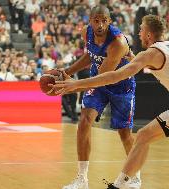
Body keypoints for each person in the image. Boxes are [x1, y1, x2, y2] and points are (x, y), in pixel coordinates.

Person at [51, 15, 169, 189]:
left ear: (148, 35)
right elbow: (161, 65)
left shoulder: (150, 53)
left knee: (142, 136)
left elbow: (114, 76)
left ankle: (118, 185)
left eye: (141, 30)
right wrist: (134, 58)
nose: (139, 33)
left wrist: (75, 85)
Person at [54, 5, 140, 189]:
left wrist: (72, 86)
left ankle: (135, 177)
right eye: (96, 20)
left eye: (104, 20)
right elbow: (90, 56)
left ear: (109, 21)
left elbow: (103, 77)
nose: (100, 24)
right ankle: (82, 179)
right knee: (84, 120)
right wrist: (67, 72)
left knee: (124, 133)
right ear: (90, 21)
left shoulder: (118, 42)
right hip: (98, 82)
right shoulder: (87, 33)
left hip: (121, 86)